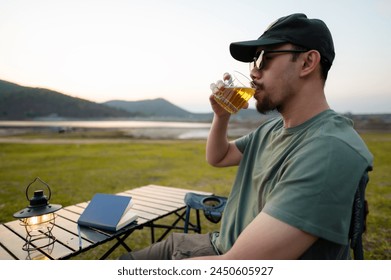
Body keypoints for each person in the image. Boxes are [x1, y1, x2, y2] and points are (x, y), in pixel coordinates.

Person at [119, 13, 373, 260]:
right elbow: (219, 157)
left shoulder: (330, 149)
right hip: (215, 244)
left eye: (264, 59)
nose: (253, 72)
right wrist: (222, 116)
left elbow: (238, 265)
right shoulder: (271, 129)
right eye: (253, 62)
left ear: (307, 63)